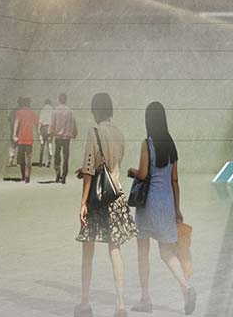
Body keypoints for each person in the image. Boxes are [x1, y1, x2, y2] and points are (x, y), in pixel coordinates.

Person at [128, 102, 195, 314]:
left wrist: (131, 171)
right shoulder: (171, 145)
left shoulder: (147, 144)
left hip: (148, 205)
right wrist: (177, 209)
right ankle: (186, 288)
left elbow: (143, 174)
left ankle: (145, 299)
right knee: (166, 252)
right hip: (166, 206)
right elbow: (175, 180)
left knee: (143, 253)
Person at [77, 92, 137, 317]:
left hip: (96, 201)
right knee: (115, 249)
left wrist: (83, 203)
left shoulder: (94, 133)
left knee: (88, 249)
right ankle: (120, 305)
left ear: (96, 110)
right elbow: (112, 166)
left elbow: (90, 171)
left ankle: (85, 303)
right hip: (117, 196)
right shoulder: (119, 134)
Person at [53, 93, 78, 184]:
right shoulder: (70, 111)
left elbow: (53, 123)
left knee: (57, 156)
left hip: (58, 137)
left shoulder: (56, 110)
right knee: (66, 157)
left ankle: (57, 173)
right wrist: (75, 132)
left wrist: (50, 132)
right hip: (67, 137)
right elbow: (73, 122)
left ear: (59, 99)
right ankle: (64, 176)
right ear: (66, 100)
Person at [13, 97, 39, 183]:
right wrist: (39, 136)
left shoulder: (19, 112)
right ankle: (28, 176)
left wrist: (14, 135)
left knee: (22, 160)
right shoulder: (33, 113)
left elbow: (16, 124)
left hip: (21, 139)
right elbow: (37, 125)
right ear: (29, 103)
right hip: (29, 140)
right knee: (29, 159)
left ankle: (23, 176)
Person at [39, 98, 55, 167]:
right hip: (50, 128)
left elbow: (40, 120)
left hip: (43, 128)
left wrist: (39, 130)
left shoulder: (43, 110)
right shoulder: (52, 110)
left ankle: (40, 162)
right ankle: (48, 161)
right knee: (49, 145)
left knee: (42, 145)